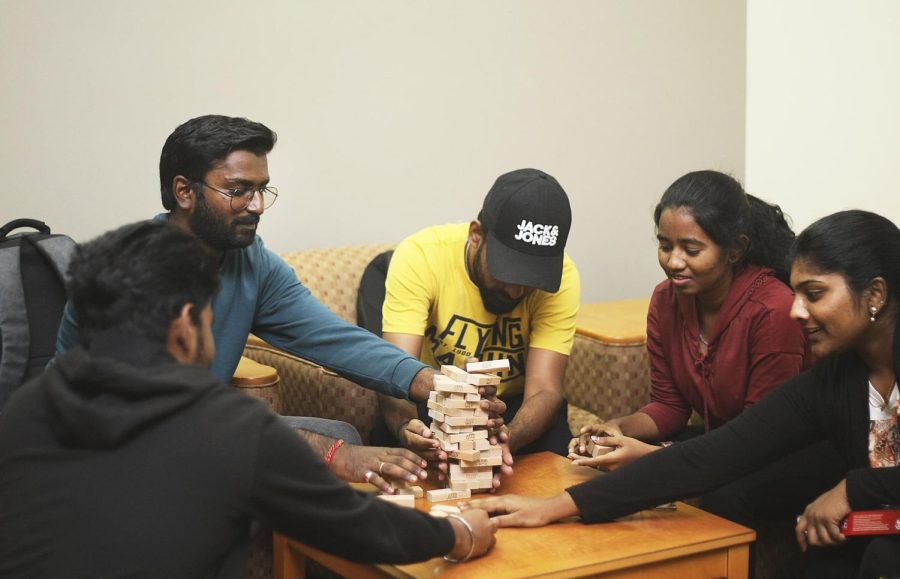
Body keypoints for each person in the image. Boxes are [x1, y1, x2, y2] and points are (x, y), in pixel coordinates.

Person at [0, 221, 496, 578]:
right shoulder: (225, 429)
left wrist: (423, 380)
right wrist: (459, 533)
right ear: (183, 329)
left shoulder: (24, 409)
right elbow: (357, 525)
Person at [54, 115, 504, 493]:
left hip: (197, 426)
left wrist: (434, 383)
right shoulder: (131, 276)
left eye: (262, 190)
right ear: (184, 192)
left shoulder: (251, 263)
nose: (256, 206)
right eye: (238, 190)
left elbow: (333, 338)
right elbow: (171, 420)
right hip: (111, 444)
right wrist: (332, 456)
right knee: (329, 448)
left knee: (341, 434)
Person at [469, 209, 900, 579]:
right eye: (797, 292)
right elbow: (713, 456)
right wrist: (553, 507)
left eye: (815, 294)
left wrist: (852, 490)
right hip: (873, 526)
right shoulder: (832, 380)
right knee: (830, 554)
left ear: (875, 294)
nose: (796, 310)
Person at [569, 170, 845, 529]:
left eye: (691, 249)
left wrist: (655, 457)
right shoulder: (665, 300)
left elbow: (761, 437)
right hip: (727, 441)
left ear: (735, 250)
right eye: (665, 246)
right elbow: (669, 406)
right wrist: (618, 428)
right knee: (603, 473)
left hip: (788, 451)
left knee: (723, 498)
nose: (673, 261)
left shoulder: (773, 310)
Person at [374, 168, 580, 483]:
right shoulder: (421, 256)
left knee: (560, 488)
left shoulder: (563, 277)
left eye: (531, 279)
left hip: (514, 410)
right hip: (431, 402)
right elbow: (394, 374)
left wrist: (506, 437)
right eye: (507, 271)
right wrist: (405, 430)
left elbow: (545, 389)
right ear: (476, 235)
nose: (515, 291)